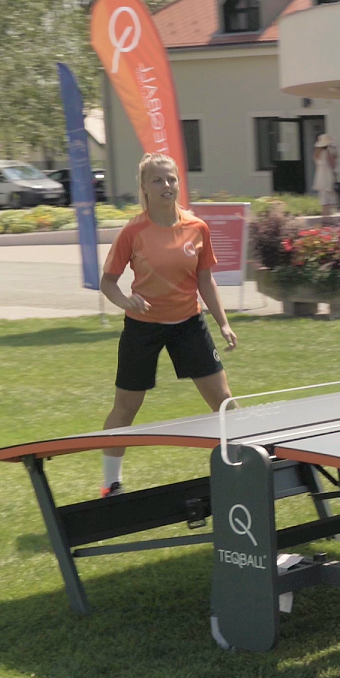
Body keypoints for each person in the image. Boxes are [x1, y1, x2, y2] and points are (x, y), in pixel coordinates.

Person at [96, 154, 240, 497]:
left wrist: (223, 323)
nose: (166, 185)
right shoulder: (133, 231)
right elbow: (108, 282)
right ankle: (109, 484)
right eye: (158, 180)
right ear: (144, 187)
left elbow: (205, 280)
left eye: (171, 179)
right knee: (126, 407)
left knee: (223, 400)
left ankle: (243, 468)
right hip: (142, 328)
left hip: (189, 324)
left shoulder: (197, 227)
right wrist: (125, 301)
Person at [313, 133, 340, 215]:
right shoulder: (329, 151)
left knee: (323, 194)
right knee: (330, 193)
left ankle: (324, 213)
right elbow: (333, 165)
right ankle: (329, 213)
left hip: (320, 173)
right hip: (328, 173)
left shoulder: (317, 153)